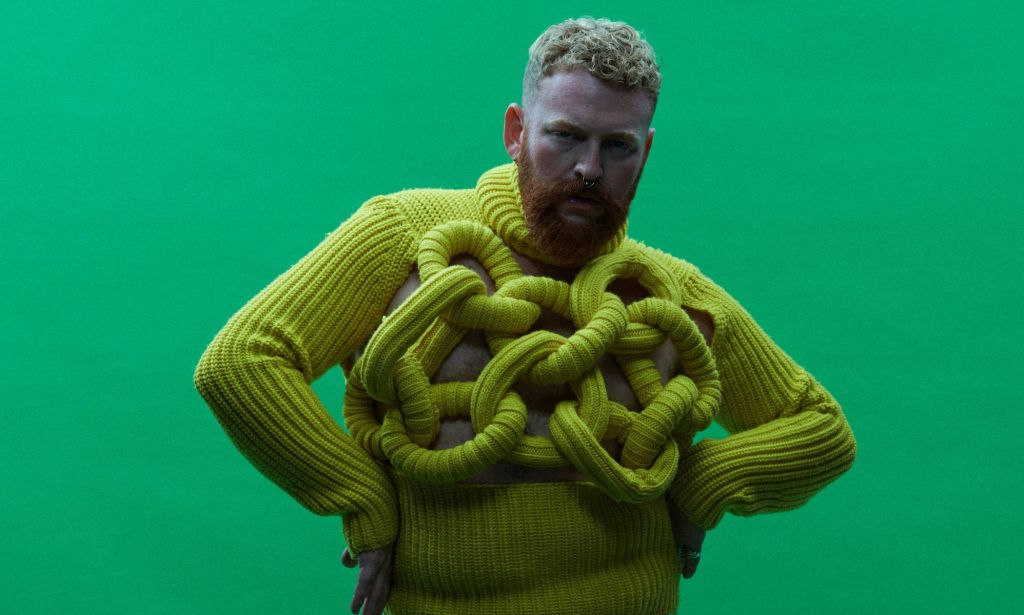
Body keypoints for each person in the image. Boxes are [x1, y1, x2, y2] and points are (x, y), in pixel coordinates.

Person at [194, 17, 856, 615]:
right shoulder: (403, 235)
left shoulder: (672, 296)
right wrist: (361, 497)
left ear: (646, 152)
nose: (589, 169)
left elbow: (822, 430)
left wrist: (704, 482)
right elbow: (240, 362)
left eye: (617, 146)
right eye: (565, 136)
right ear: (516, 131)